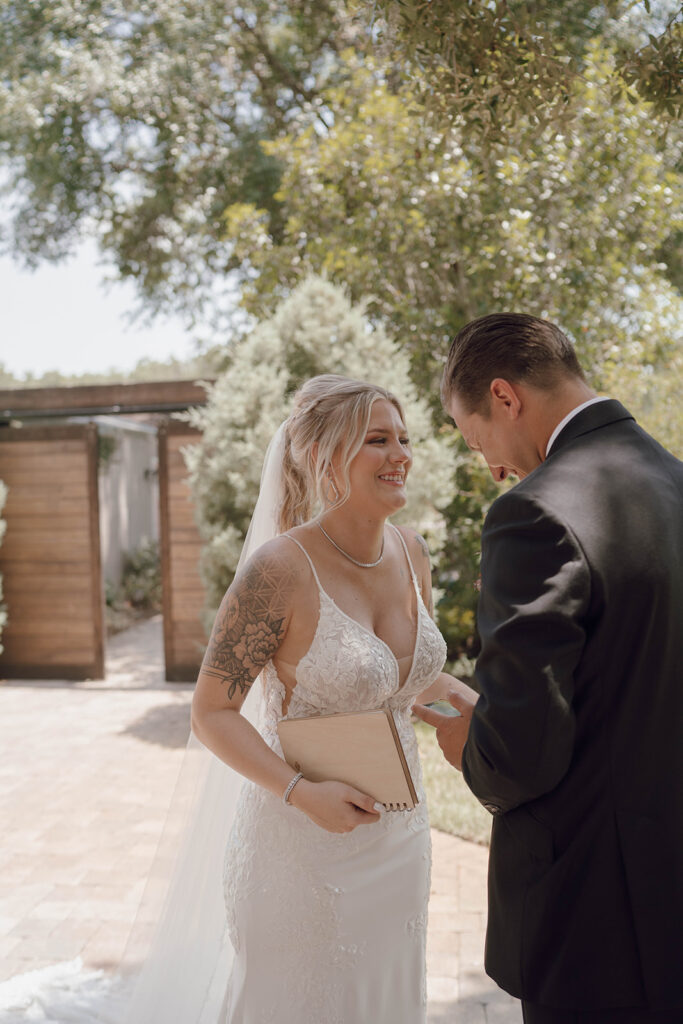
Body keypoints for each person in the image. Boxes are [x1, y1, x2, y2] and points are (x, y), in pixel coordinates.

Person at [414, 313, 683, 1024]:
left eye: (479, 443)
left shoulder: (532, 514)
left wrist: (471, 741)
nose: (494, 468)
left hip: (596, 920)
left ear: (503, 397)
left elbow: (522, 751)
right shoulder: (674, 482)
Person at [190, 373, 457, 1023]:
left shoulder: (410, 553)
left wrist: (481, 714)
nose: (400, 454)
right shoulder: (279, 570)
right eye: (376, 440)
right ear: (322, 457)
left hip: (400, 842)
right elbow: (211, 712)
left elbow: (411, 679)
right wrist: (299, 793)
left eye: (403, 437)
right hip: (301, 851)